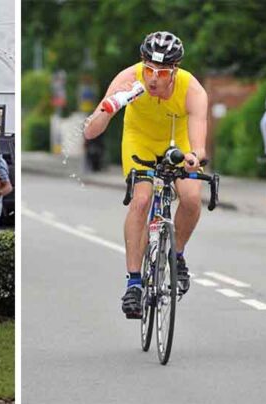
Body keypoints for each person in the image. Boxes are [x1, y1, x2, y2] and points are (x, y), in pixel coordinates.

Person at [82, 31, 208, 318]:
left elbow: (199, 145)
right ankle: (135, 283)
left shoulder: (192, 89)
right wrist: (111, 106)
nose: (153, 78)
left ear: (174, 71)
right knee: (141, 200)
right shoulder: (128, 78)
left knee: (191, 198)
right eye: (149, 69)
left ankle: (176, 255)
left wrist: (193, 158)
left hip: (178, 144)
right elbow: (90, 131)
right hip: (139, 140)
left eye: (161, 73)